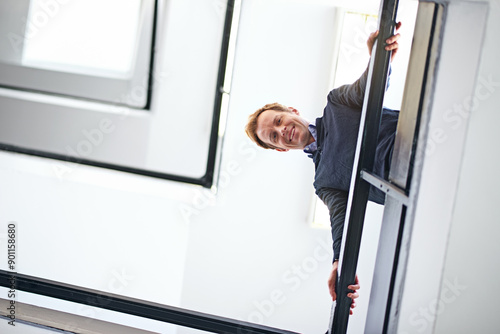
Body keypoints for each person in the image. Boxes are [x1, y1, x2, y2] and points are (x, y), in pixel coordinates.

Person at [245, 24, 402, 314]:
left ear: (291, 111)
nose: (283, 131)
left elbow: (370, 86)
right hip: (406, 186)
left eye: (278, 121)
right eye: (275, 136)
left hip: (418, 138)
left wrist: (378, 55)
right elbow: (341, 222)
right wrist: (338, 263)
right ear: (280, 149)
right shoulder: (324, 182)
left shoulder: (337, 103)